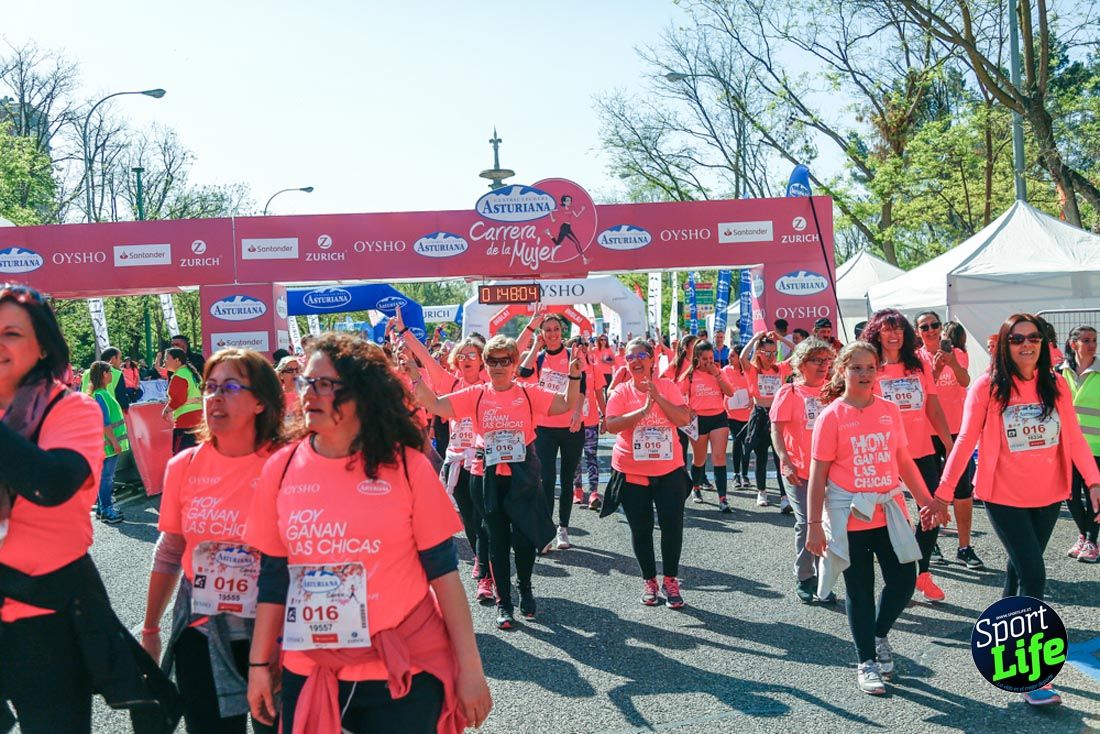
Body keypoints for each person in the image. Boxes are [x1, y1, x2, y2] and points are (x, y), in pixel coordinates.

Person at [245, 333, 492, 733]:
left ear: (363, 394)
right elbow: (273, 579)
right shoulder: (281, 468)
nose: (308, 393)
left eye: (324, 384)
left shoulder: (408, 468)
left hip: (404, 669)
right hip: (310, 665)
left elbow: (444, 576)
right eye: (306, 382)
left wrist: (471, 668)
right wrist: (259, 664)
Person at [0, 284, 179, 733]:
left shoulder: (71, 408)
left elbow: (52, 483)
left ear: (43, 346)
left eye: (12, 333)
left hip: (44, 617)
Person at [934, 314, 1100, 707]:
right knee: (1033, 573)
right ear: (1005, 345)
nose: (1027, 344)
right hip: (1002, 495)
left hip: (1047, 495)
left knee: (1016, 571)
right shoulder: (987, 387)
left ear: (1044, 344)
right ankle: (1027, 675)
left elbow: (1074, 438)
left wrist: (1093, 482)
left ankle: (998, 644)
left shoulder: (1055, 383)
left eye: (1035, 338)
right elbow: (964, 441)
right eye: (1017, 338)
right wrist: (942, 493)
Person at [141, 348, 284, 734]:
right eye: (210, 386)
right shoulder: (183, 466)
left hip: (277, 636)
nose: (215, 396)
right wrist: (151, 629)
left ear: (260, 402)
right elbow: (170, 550)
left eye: (231, 386)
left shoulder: (288, 463)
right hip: (201, 631)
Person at [409, 335, 579, 630]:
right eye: (492, 361)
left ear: (515, 363)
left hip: (522, 474)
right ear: (485, 364)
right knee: (496, 540)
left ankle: (524, 586)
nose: (498, 367)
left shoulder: (527, 392)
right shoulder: (475, 393)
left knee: (525, 540)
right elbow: (435, 404)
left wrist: (575, 374)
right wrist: (415, 377)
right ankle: (504, 603)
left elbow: (565, 403)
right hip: (485, 475)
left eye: (505, 361)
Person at [806, 342, 944, 695]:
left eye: (869, 367)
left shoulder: (888, 410)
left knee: (903, 580)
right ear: (842, 371)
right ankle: (866, 660)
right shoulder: (831, 415)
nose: (864, 374)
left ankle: (878, 633)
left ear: (877, 370)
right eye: (856, 368)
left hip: (889, 510)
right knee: (859, 590)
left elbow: (902, 459)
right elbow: (818, 475)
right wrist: (812, 527)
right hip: (849, 515)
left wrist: (927, 501)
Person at [398, 321, 494, 604]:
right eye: (461, 355)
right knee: (468, 516)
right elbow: (426, 359)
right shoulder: (450, 383)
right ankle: (480, 558)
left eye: (471, 355)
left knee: (487, 517)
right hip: (457, 461)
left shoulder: (492, 383)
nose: (465, 359)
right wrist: (405, 332)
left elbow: (518, 355)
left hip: (485, 461)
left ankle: (487, 573)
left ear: (482, 361)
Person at [863, 309, 954, 603]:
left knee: (934, 510)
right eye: (888, 330)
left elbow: (933, 408)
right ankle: (896, 578)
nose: (894, 335)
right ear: (877, 333)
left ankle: (921, 572)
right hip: (882, 453)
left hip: (920, 448)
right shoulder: (870, 368)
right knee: (888, 519)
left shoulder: (918, 366)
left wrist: (950, 444)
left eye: (899, 329)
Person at [604, 338, 692, 607]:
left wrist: (657, 398)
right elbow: (611, 425)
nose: (636, 361)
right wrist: (642, 411)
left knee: (671, 527)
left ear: (652, 360)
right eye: (630, 358)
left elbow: (683, 418)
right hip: (632, 472)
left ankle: (671, 581)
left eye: (641, 355)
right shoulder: (620, 392)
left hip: (669, 471)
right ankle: (650, 581)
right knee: (641, 529)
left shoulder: (668, 386)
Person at [915, 313, 984, 570]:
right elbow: (922, 393)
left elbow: (965, 381)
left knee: (963, 491)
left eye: (934, 325)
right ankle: (930, 542)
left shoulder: (956, 351)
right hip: (928, 433)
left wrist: (953, 364)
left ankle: (964, 547)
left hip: (958, 432)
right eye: (925, 327)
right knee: (930, 492)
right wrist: (935, 369)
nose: (931, 330)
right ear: (918, 331)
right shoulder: (915, 358)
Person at [769, 339, 836, 604]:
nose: (822, 366)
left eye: (826, 360)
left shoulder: (833, 391)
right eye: (816, 360)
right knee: (807, 523)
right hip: (800, 470)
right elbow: (776, 430)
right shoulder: (789, 393)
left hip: (831, 470)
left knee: (829, 525)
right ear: (801, 364)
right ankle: (805, 576)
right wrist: (785, 460)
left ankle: (825, 578)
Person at [517, 313, 588, 551]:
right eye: (547, 330)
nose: (552, 334)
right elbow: (522, 374)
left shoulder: (572, 356)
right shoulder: (537, 358)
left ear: (562, 332)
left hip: (571, 427)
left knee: (567, 479)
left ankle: (563, 529)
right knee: (546, 479)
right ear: (542, 334)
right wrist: (536, 345)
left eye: (556, 329)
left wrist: (577, 413)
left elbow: (582, 388)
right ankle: (546, 530)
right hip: (545, 427)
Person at [738, 331, 794, 508]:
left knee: (780, 457)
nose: (770, 357)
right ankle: (762, 491)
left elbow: (800, 354)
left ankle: (785, 496)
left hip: (777, 415)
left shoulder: (780, 368)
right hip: (760, 415)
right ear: (759, 353)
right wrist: (755, 339)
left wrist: (780, 339)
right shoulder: (753, 370)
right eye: (766, 353)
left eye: (773, 353)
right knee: (760, 456)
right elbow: (742, 358)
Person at [679, 341, 735, 511]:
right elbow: (678, 395)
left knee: (719, 457)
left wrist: (716, 374)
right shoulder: (690, 375)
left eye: (711, 358)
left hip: (718, 417)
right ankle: (696, 487)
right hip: (699, 420)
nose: (708, 362)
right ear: (697, 358)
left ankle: (723, 498)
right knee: (699, 459)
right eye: (704, 359)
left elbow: (730, 392)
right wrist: (688, 409)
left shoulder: (719, 372)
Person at [1061, 325, 1100, 563]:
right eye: (1086, 340)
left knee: (1094, 496)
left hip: (1096, 446)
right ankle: (1083, 535)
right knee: (1070, 495)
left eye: (1094, 340)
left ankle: (1092, 541)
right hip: (1066, 448)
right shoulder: (1059, 372)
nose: (1092, 344)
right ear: (1073, 343)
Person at [86, 360, 129, 525]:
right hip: (109, 445)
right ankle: (106, 510)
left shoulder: (101, 393)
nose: (112, 374)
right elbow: (105, 423)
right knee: (107, 478)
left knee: (104, 477)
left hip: (106, 444)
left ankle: (102, 509)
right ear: (103, 374)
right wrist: (115, 442)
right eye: (109, 371)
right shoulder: (101, 395)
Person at [570, 336, 606, 511]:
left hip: (590, 420)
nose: (581, 349)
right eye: (577, 346)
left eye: (583, 345)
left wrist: (605, 416)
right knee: (574, 457)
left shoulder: (594, 367)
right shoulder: (566, 368)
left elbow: (600, 394)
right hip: (571, 421)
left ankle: (593, 492)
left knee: (591, 456)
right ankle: (577, 489)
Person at [163, 347, 204, 455]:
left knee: (180, 456)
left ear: (177, 360)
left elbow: (178, 399)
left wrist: (167, 410)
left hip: (186, 421)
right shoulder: (191, 374)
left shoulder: (180, 376)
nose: (164, 361)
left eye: (167, 358)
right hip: (200, 419)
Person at [721, 355, 752, 490]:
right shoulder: (725, 370)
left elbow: (754, 386)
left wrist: (752, 399)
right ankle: (736, 474)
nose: (730, 358)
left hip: (747, 413)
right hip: (731, 413)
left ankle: (745, 475)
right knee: (736, 441)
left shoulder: (748, 371)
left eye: (733, 355)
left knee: (747, 444)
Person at [80, 346, 131, 412]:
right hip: (109, 415)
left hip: (87, 414)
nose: (121, 361)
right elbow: (122, 400)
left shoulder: (86, 372)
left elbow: (81, 392)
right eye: (119, 358)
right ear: (113, 358)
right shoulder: (117, 374)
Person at [275, 355, 303, 422]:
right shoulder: (276, 396)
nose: (294, 373)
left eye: (297, 370)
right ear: (281, 375)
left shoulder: (305, 394)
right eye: (290, 370)